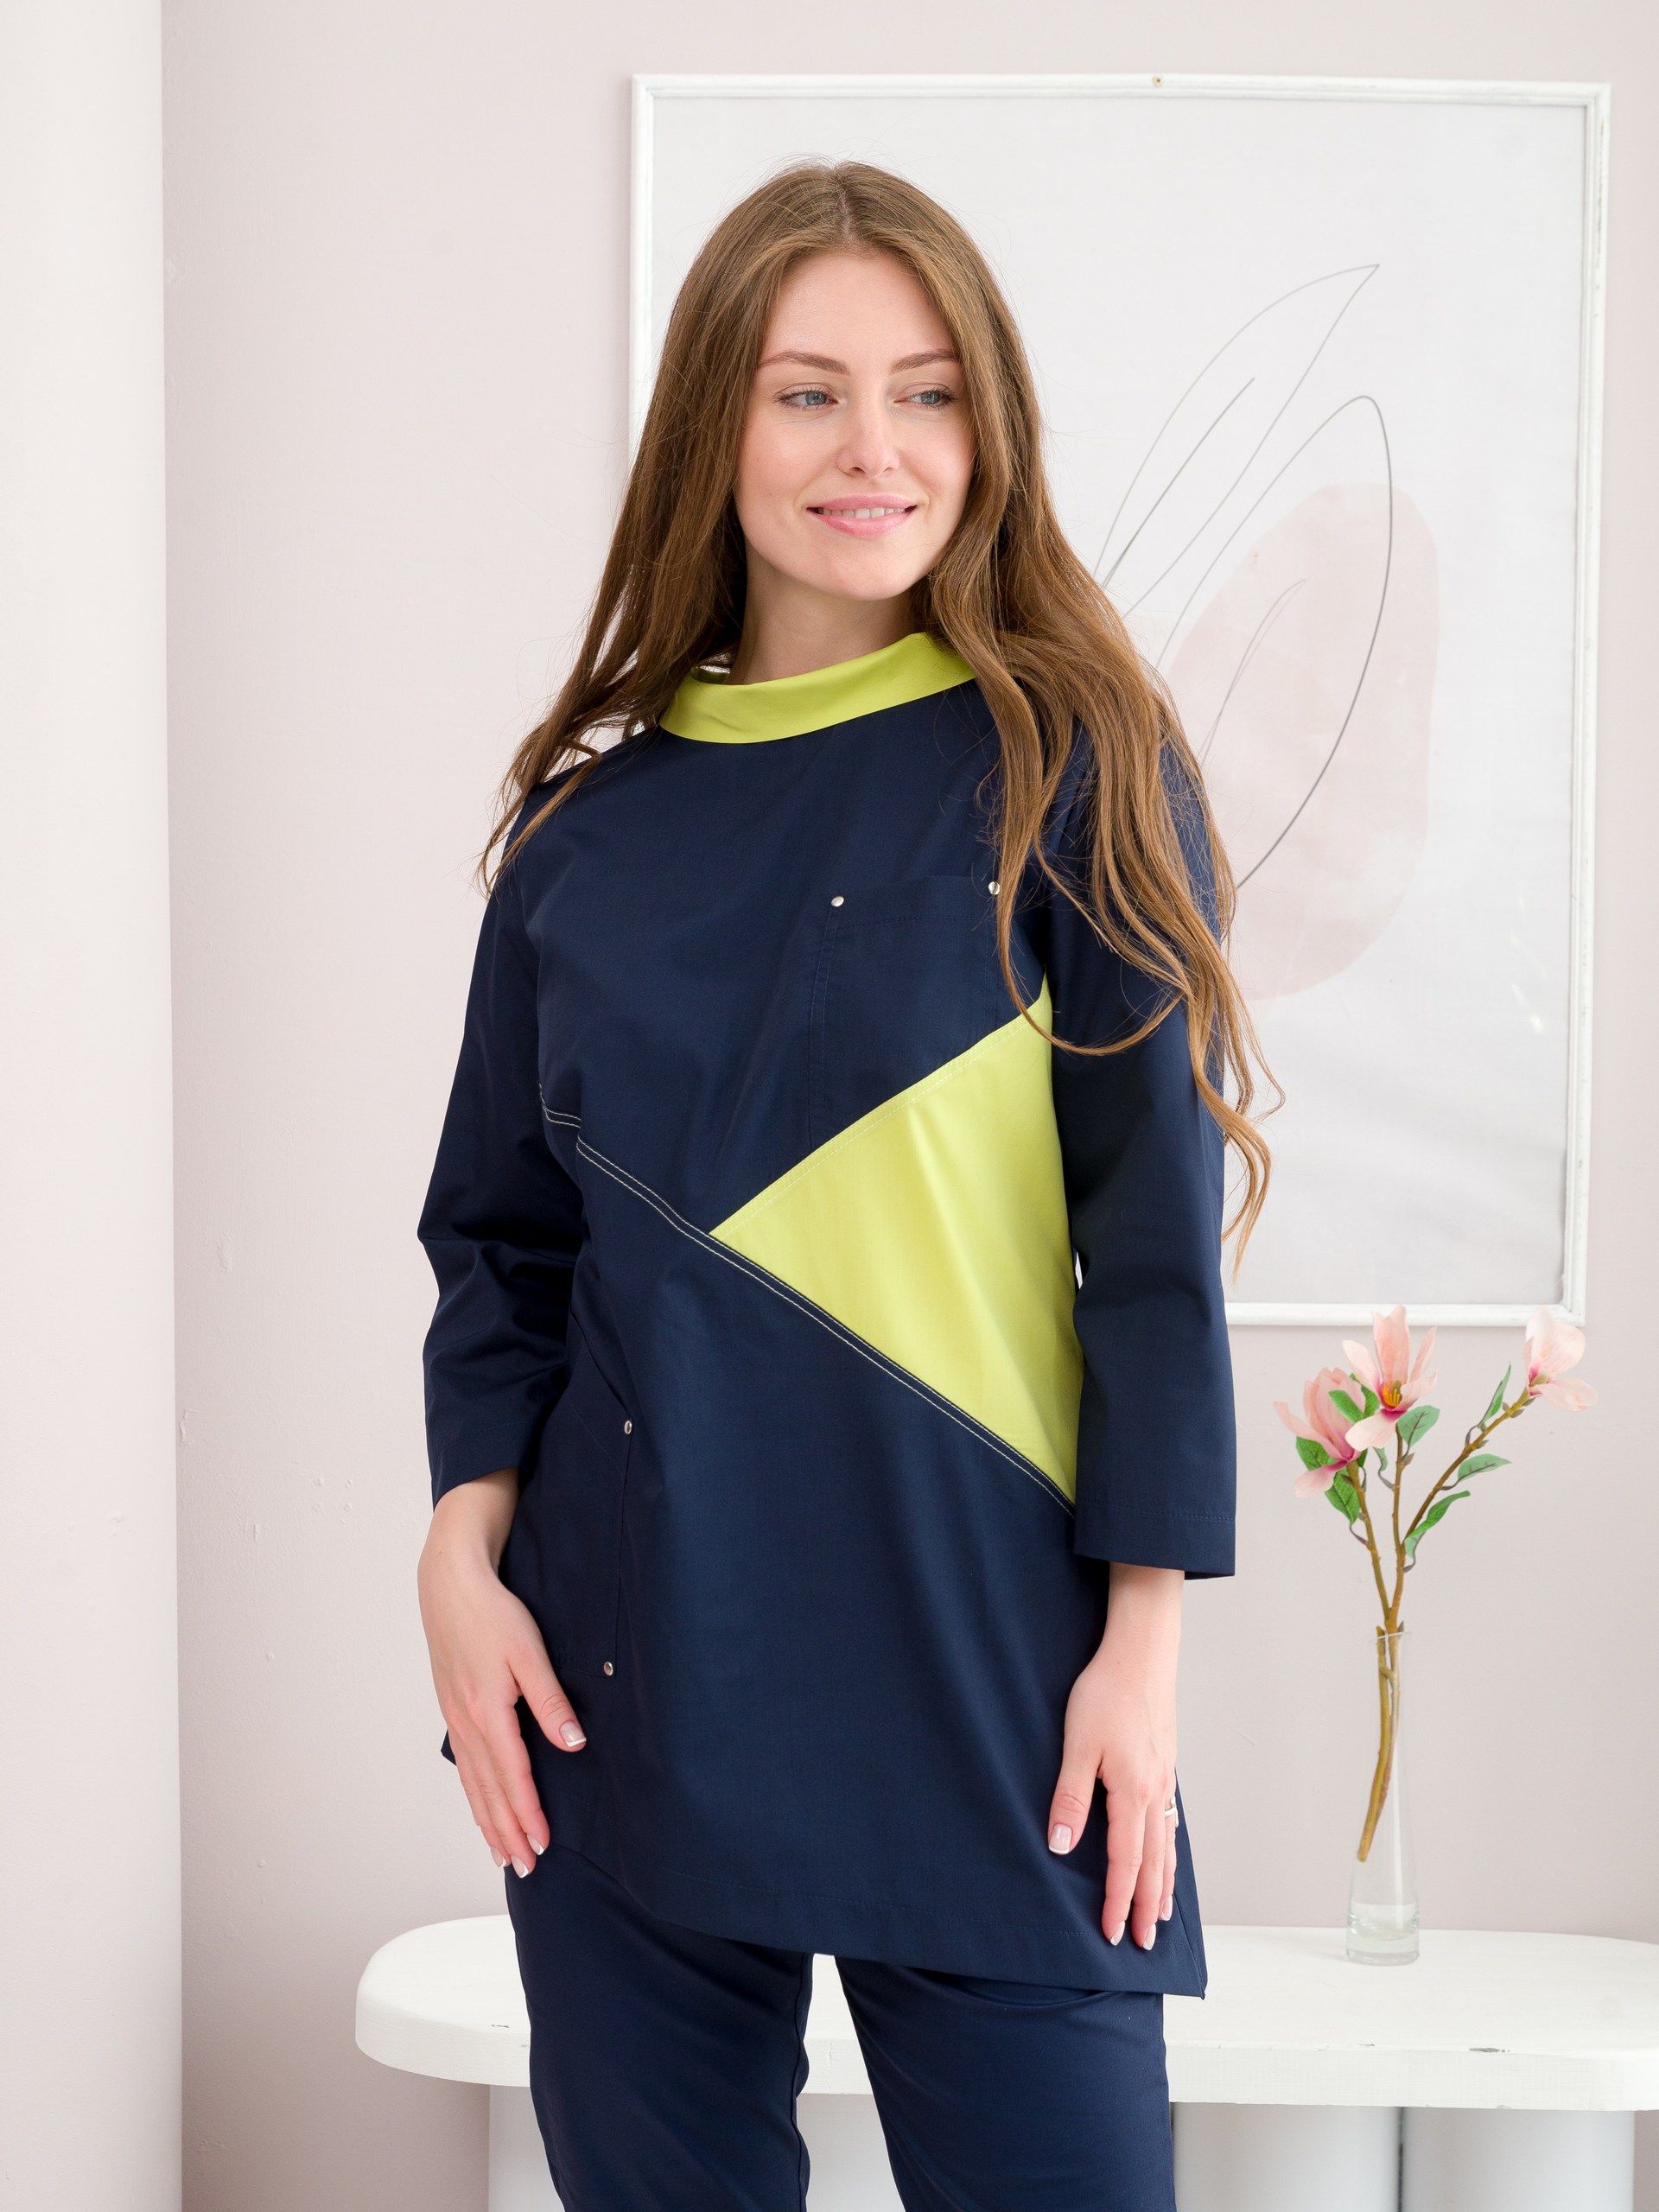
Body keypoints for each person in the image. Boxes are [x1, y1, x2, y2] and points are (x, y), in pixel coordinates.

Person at [416, 159, 1270, 2212]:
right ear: (715, 427)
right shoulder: (581, 839)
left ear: (991, 429)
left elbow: (1154, 1258)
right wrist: (455, 1551)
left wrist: (1141, 1650)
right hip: (617, 1679)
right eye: (808, 392)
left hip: (997, 1682)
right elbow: (501, 1244)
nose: (875, 449)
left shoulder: (1076, 764)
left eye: (929, 392)